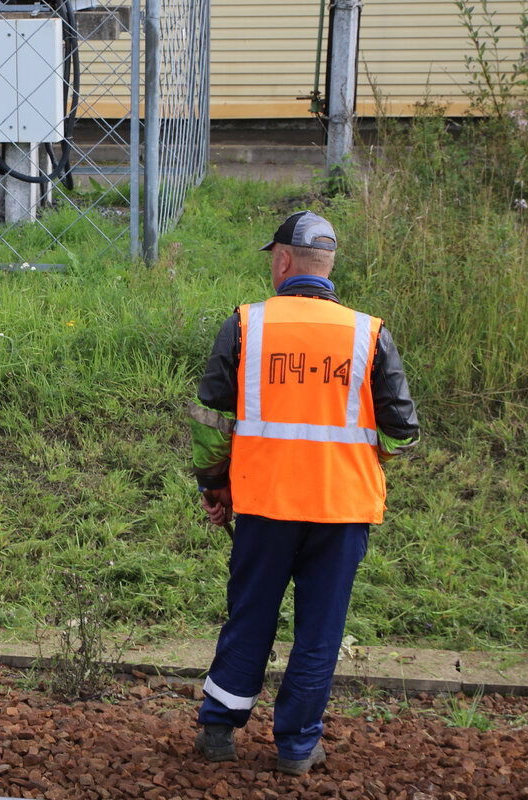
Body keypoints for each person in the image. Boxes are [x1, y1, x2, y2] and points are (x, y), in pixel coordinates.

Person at [187, 210, 420, 775]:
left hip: (266, 504)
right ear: (328, 266)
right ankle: (296, 747)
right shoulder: (370, 333)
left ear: (285, 262)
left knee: (250, 616)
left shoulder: (247, 325)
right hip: (342, 510)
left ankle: (219, 729)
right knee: (319, 630)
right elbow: (401, 431)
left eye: (273, 257)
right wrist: (362, 456)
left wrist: (216, 486)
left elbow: (211, 419)